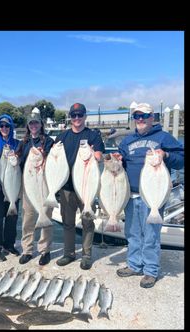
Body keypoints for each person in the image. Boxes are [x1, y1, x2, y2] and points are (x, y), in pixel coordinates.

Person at [113, 103, 184, 288]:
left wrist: (166, 155)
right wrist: (116, 159)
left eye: (144, 116)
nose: (141, 119)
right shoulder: (127, 141)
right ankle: (134, 264)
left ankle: (150, 270)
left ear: (153, 117)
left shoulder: (164, 137)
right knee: (132, 232)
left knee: (151, 235)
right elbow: (121, 159)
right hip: (131, 195)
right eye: (137, 116)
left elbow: (181, 161)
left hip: (153, 196)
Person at [55, 103, 105, 270]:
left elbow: (99, 156)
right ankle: (69, 253)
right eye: (74, 115)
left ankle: (86, 255)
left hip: (86, 188)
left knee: (87, 222)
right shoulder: (62, 137)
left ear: (85, 116)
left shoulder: (93, 135)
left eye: (80, 115)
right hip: (67, 187)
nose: (77, 118)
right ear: (70, 116)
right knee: (67, 222)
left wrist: (93, 153)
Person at [17, 113, 55, 266]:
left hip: (45, 184)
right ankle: (27, 250)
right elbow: (18, 161)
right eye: (31, 123)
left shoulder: (49, 142)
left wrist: (46, 156)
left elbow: (55, 161)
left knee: (46, 216)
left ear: (41, 125)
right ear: (28, 126)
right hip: (28, 185)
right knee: (28, 219)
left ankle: (45, 250)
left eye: (36, 123)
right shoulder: (23, 143)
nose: (34, 126)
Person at [0, 114, 20, 262]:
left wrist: (18, 158)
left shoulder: (18, 144)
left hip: (12, 185)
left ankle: (9, 244)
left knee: (12, 217)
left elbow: (23, 160)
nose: (4, 128)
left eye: (7, 126)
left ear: (11, 127)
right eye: (1, 126)